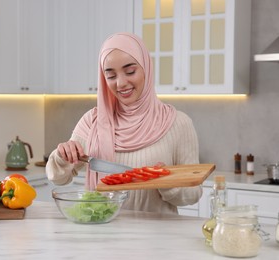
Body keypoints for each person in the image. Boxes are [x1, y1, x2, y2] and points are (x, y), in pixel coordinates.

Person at [45, 32, 202, 214]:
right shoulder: (92, 121)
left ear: (146, 68)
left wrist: (165, 183)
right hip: (102, 233)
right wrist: (61, 157)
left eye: (130, 71)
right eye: (111, 76)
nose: (121, 83)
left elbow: (193, 194)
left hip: (158, 238)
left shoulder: (179, 123)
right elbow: (58, 179)